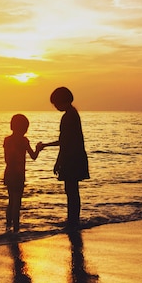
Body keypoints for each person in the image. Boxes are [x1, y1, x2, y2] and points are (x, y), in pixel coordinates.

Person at [41, 87, 89, 230]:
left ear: (62, 101)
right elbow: (66, 141)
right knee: (73, 190)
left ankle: (72, 221)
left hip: (71, 158)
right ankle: (73, 220)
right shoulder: (73, 113)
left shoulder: (68, 117)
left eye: (56, 104)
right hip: (77, 156)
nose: (55, 107)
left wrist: (57, 160)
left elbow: (64, 142)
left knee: (71, 190)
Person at [3, 114, 44, 233]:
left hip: (9, 172)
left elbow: (7, 159)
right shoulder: (24, 140)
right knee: (17, 202)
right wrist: (38, 148)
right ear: (24, 128)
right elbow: (34, 156)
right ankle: (16, 228)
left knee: (11, 201)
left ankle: (8, 226)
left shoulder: (7, 140)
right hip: (19, 174)